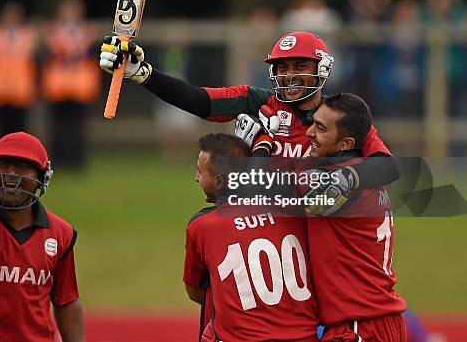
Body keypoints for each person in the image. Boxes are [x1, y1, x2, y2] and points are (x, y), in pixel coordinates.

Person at [99, 31, 399, 212]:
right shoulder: (256, 101)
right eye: (282, 67)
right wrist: (143, 73)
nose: (289, 74)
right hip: (266, 232)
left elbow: (386, 167)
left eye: (300, 66)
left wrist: (339, 181)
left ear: (322, 69)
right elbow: (197, 99)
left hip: (321, 235)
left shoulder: (340, 116)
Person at [184, 133, 319, 342]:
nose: (196, 178)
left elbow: (195, 291)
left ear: (219, 181)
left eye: (200, 172)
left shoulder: (202, 225)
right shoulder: (295, 213)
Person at [0, 131, 83, 342]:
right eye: (4, 164)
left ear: (41, 178)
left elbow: (66, 300)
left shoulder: (61, 233)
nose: (11, 174)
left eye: (23, 166)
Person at [303, 93, 407, 342]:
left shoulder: (334, 182)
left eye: (320, 128)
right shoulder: (364, 172)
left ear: (346, 143)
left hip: (358, 325)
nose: (308, 133)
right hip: (378, 318)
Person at [41, 0, 100, 168]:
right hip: (58, 85)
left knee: (78, 125)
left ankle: (76, 160)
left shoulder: (88, 31)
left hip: (80, 85)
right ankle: (57, 160)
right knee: (57, 125)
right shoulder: (53, 31)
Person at [0, 2, 37, 140]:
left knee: (20, 126)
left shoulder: (27, 35)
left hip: (20, 89)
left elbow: (26, 51)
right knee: (0, 126)